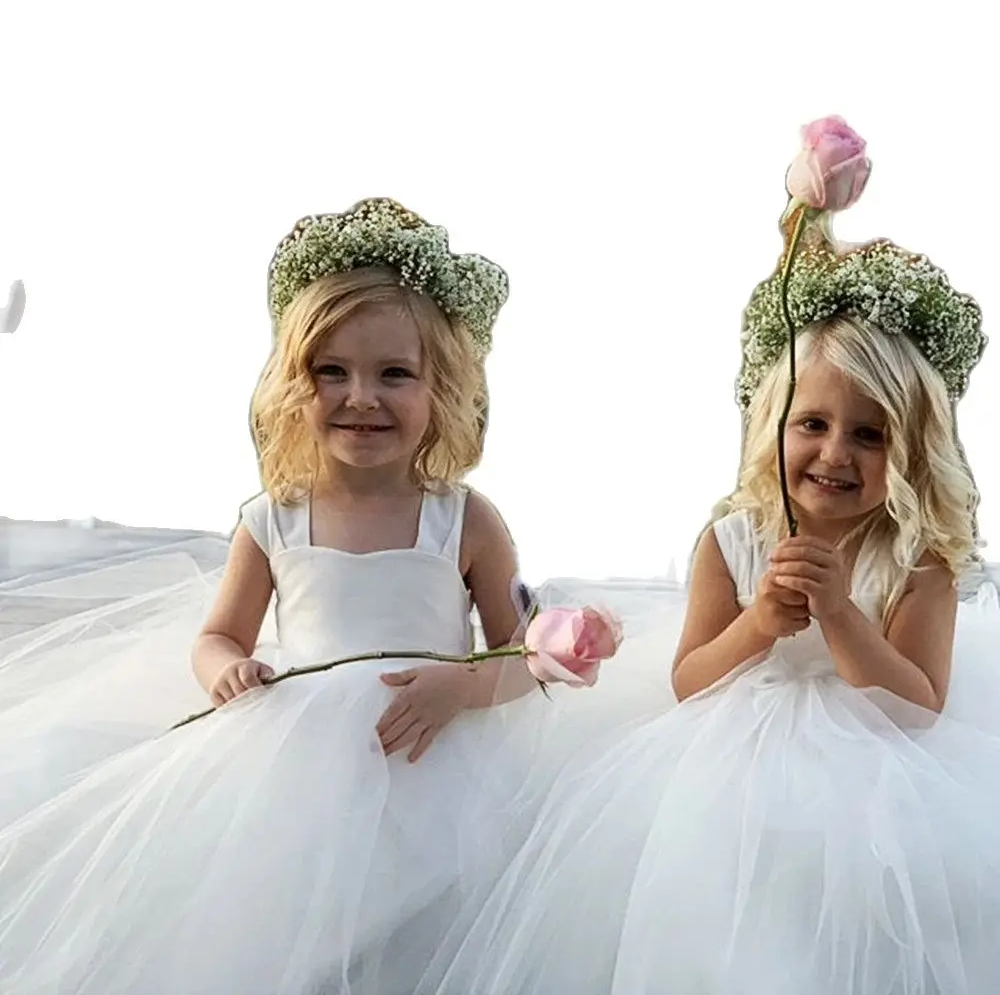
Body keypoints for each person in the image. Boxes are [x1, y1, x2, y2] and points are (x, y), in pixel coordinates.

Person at [414, 123, 1000, 995]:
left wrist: (840, 613)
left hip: (881, 785)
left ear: (913, 451)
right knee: (729, 911)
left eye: (870, 436)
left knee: (874, 921)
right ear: (774, 427)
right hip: (736, 761)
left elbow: (917, 707)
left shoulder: (919, 562)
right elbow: (693, 679)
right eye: (813, 424)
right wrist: (765, 620)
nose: (835, 454)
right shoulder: (733, 539)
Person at [0, 199, 634, 994]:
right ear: (293, 387)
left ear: (441, 388)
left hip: (441, 768)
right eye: (330, 372)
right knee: (292, 941)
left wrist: (462, 685)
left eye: (393, 374)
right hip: (296, 778)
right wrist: (226, 671)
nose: (360, 396)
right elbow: (216, 637)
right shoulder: (273, 520)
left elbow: (523, 658)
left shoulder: (464, 519)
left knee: (422, 940)